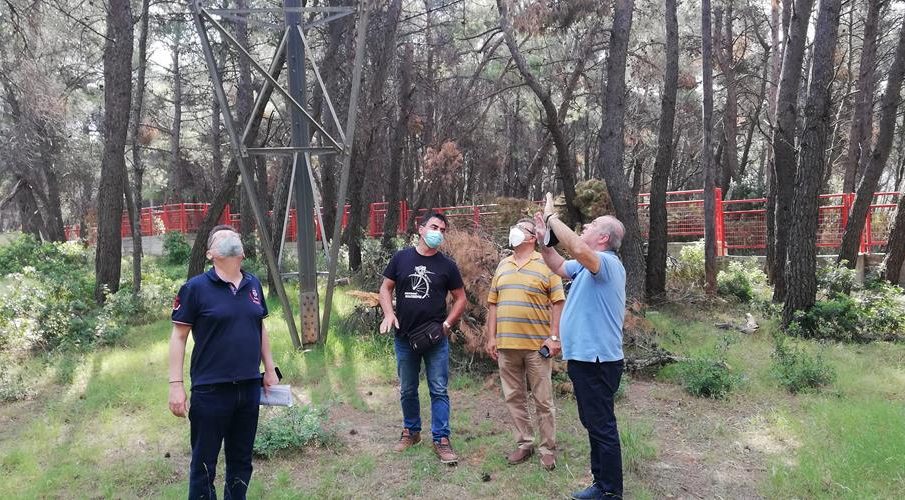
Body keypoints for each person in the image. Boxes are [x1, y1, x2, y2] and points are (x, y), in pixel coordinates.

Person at [168, 225, 279, 500]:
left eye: (234, 236)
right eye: (222, 237)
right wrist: (175, 385)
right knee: (204, 465)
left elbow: (260, 328)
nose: (230, 238)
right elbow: (179, 337)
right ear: (210, 254)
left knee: (241, 461)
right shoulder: (195, 288)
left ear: (242, 252)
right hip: (210, 390)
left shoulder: (253, 285)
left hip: (249, 388)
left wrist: (269, 368)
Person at [534, 194, 627, 500]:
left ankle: (610, 491)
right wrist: (544, 240)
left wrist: (552, 219)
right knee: (593, 423)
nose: (586, 226)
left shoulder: (607, 263)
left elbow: (575, 247)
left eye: (593, 224)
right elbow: (559, 265)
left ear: (603, 238)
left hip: (598, 361)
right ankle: (602, 484)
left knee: (601, 425)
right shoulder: (587, 267)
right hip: (585, 359)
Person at [378, 212, 467, 464]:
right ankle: (411, 432)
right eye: (434, 227)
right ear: (420, 229)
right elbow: (385, 288)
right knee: (408, 389)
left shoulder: (447, 265)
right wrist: (389, 313)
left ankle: (441, 439)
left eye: (442, 230)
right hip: (405, 337)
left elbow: (461, 298)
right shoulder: (401, 258)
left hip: (435, 339)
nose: (438, 232)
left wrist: (447, 324)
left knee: (438, 389)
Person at [485, 217, 565, 471]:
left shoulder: (547, 264)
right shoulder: (503, 265)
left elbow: (558, 302)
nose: (514, 231)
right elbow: (493, 303)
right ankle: (524, 443)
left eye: (520, 228)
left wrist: (554, 337)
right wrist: (491, 337)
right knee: (514, 397)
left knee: (543, 400)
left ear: (532, 238)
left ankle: (548, 449)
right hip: (506, 345)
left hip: (536, 347)